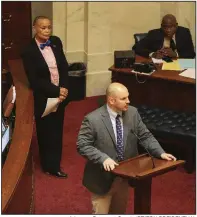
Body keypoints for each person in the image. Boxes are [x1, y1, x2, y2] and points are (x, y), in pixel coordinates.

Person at [77, 82, 176, 214]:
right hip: (102, 179)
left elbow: (145, 136)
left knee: (119, 212)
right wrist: (103, 159)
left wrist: (160, 152)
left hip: (124, 176)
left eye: (128, 97)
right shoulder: (92, 119)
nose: (128, 101)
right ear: (111, 100)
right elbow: (82, 145)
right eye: (123, 99)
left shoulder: (133, 113)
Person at [21, 16, 69, 178]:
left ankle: (55, 163)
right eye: (43, 28)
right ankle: (49, 166)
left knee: (57, 129)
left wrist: (64, 89)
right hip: (44, 96)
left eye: (49, 27)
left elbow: (63, 67)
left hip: (60, 94)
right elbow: (35, 80)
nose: (47, 31)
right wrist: (56, 91)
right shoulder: (28, 51)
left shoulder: (56, 41)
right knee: (46, 131)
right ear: (35, 28)